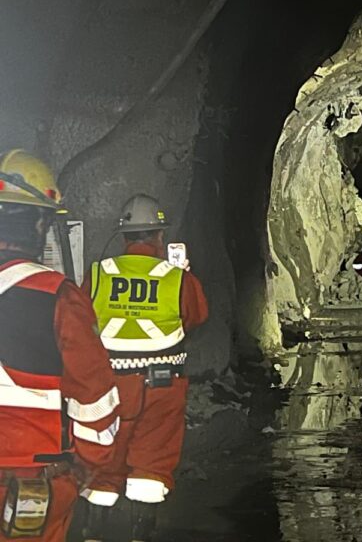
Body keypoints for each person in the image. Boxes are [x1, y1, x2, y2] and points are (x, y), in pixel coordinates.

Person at [0, 149, 120, 541]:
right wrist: (86, 470)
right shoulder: (57, 297)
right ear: (41, 224)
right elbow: (95, 399)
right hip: (28, 483)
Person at [81, 194, 208, 541]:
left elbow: (80, 321)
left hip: (109, 386)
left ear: (123, 236)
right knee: (152, 463)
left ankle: (93, 532)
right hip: (161, 388)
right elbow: (196, 316)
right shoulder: (176, 278)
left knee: (104, 458)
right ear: (159, 236)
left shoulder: (98, 273)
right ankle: (141, 534)